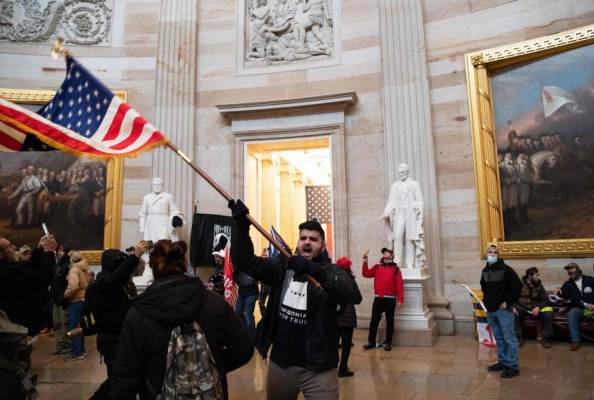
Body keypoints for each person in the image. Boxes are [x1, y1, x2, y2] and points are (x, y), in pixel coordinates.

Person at [228, 199, 354, 399]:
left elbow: (350, 293)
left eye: (313, 239)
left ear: (322, 245)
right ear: (297, 243)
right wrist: (241, 226)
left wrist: (315, 270)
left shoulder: (333, 271)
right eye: (303, 238)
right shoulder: (282, 267)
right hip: (281, 366)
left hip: (320, 369)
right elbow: (246, 262)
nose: (307, 241)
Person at [110, 239, 253, 399]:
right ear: (184, 265)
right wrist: (212, 365)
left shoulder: (137, 314)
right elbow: (244, 347)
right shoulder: (215, 302)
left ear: (153, 266)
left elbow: (125, 377)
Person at [0, 235, 56, 400]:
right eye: (9, 246)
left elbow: (25, 268)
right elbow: (41, 277)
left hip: (12, 332)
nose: (14, 247)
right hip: (8, 338)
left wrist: (39, 250)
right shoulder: (5, 274)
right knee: (13, 381)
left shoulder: (7, 269)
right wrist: (49, 253)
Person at [89, 241, 148, 400]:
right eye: (119, 262)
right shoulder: (104, 281)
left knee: (123, 378)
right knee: (117, 381)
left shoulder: (123, 284)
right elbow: (115, 279)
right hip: (111, 339)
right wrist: (134, 256)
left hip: (124, 337)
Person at [481, 243, 522, 378]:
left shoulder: (506, 269)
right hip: (491, 310)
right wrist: (487, 301)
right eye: (490, 252)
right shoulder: (485, 271)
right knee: (499, 338)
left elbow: (517, 286)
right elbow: (484, 287)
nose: (492, 254)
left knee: (510, 339)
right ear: (486, 254)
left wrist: (509, 302)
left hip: (503, 310)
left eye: (495, 252)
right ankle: (503, 362)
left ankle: (512, 366)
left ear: (498, 255)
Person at [381, 163, 425, 269]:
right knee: (397, 237)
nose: (401, 174)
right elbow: (390, 201)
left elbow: (420, 199)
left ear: (407, 171)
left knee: (410, 238)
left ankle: (409, 262)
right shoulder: (395, 185)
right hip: (399, 213)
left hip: (410, 213)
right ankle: (397, 261)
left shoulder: (414, 184)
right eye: (399, 173)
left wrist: (417, 206)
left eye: (403, 172)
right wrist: (386, 212)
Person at [361, 248, 403, 351]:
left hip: (390, 299)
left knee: (390, 321)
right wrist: (365, 262)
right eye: (384, 252)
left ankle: (388, 342)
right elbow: (366, 274)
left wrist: (400, 299)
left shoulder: (396, 269)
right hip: (378, 299)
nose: (385, 253)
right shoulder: (377, 267)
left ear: (392, 255)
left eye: (387, 252)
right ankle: (371, 341)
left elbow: (399, 286)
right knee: (374, 321)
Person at [554, 262, 594, 351]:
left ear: (577, 269)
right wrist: (558, 291)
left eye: (571, 268)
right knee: (571, 314)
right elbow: (564, 294)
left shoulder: (589, 279)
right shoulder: (568, 284)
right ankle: (575, 341)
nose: (569, 271)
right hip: (579, 308)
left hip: (593, 307)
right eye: (568, 270)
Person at [335, 257, 362, 378]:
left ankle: (332, 365)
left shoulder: (333, 279)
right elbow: (358, 299)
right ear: (348, 267)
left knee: (333, 342)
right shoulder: (351, 280)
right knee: (346, 344)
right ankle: (342, 368)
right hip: (348, 316)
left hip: (334, 316)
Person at [514, 267, 554, 348]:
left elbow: (545, 299)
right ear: (530, 276)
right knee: (512, 314)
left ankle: (546, 338)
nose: (538, 277)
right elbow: (511, 297)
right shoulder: (519, 284)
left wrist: (538, 307)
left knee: (548, 314)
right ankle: (519, 337)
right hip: (522, 308)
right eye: (536, 275)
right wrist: (513, 307)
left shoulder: (539, 285)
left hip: (535, 307)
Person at [63, 251, 89, 361]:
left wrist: (64, 295)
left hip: (76, 300)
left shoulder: (74, 269)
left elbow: (73, 287)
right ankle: (81, 350)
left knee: (74, 327)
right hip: (83, 299)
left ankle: (76, 352)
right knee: (80, 327)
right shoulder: (83, 267)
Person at [48, 245, 71, 355]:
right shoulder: (57, 265)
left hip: (64, 299)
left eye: (62, 250)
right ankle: (60, 343)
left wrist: (64, 296)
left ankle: (68, 344)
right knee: (56, 323)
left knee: (65, 322)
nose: (59, 252)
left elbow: (70, 283)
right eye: (58, 250)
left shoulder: (69, 265)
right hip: (55, 298)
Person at [8, 165, 42, 229]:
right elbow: (20, 188)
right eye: (29, 169)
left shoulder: (34, 178)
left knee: (30, 211)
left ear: (33, 170)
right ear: (27, 170)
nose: (30, 170)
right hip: (24, 196)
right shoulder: (24, 179)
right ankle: (20, 223)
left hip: (31, 195)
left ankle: (29, 223)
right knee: (18, 209)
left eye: (31, 169)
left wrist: (32, 193)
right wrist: (12, 196)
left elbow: (38, 187)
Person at [234, 266, 259, 335]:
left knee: (248, 314)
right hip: (242, 291)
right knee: (238, 312)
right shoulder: (238, 267)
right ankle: (245, 330)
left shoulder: (253, 266)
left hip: (251, 292)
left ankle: (251, 334)